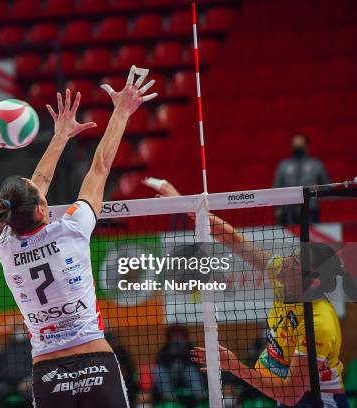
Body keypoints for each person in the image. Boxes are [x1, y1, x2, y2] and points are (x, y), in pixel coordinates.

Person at [0, 66, 158, 407]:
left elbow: (37, 184)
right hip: (95, 360)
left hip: (48, 373)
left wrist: (60, 136)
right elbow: (101, 166)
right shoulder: (72, 229)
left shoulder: (5, 246)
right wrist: (121, 112)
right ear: (41, 210)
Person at [146, 179, 355, 408]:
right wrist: (184, 203)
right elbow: (231, 238)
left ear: (313, 281)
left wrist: (234, 366)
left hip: (317, 401)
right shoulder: (284, 278)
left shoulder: (318, 323)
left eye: (294, 262)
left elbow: (291, 394)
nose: (285, 262)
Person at [273, 134, 331, 224]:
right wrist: (278, 209)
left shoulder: (316, 164)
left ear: (306, 145)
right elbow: (276, 188)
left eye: (300, 143)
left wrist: (318, 191)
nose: (297, 145)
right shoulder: (283, 165)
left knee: (311, 237)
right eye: (295, 143)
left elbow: (327, 186)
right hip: (288, 212)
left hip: (310, 210)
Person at [152, 325, 206, 402]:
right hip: (171, 379)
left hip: (186, 378)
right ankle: (168, 396)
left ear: (184, 336)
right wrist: (172, 357)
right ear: (170, 337)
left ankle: (199, 393)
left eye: (180, 335)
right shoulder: (165, 349)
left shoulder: (190, 348)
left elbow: (197, 364)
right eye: (174, 335)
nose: (177, 338)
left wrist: (182, 360)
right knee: (158, 370)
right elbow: (160, 364)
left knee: (190, 369)